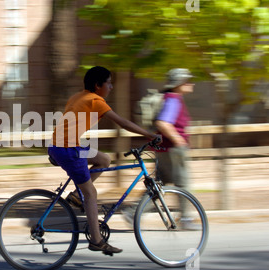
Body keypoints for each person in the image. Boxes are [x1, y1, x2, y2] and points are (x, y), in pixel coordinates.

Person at [48, 66, 161, 255]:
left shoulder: (79, 96)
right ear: (97, 85)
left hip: (64, 147)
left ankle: (77, 195)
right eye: (108, 83)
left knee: (104, 159)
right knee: (91, 194)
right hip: (68, 150)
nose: (111, 87)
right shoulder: (95, 101)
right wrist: (149, 135)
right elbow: (123, 123)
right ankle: (97, 240)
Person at [154, 68, 193, 191]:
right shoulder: (173, 99)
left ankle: (134, 210)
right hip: (173, 149)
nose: (191, 84)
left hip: (163, 147)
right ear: (179, 83)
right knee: (182, 184)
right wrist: (178, 139)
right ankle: (186, 210)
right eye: (187, 81)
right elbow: (163, 123)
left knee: (159, 184)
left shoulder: (167, 97)